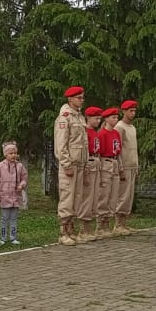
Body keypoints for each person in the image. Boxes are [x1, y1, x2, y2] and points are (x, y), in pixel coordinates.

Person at [53, 86, 86, 245]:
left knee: (76, 198)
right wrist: (66, 164)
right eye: (79, 98)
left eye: (82, 97)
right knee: (67, 197)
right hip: (70, 164)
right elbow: (61, 144)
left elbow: (82, 142)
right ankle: (63, 232)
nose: (82, 100)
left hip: (79, 163)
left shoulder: (79, 117)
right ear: (70, 99)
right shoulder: (65, 117)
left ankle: (71, 229)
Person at [77, 107, 103, 243]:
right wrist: (85, 166)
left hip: (96, 161)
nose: (98, 121)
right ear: (88, 118)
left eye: (99, 119)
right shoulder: (85, 131)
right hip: (89, 161)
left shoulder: (94, 132)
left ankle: (89, 226)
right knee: (87, 196)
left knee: (94, 195)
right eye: (96, 118)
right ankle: (83, 228)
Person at [0, 142, 27, 245]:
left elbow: (24, 178)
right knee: (4, 218)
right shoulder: (0, 166)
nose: (13, 155)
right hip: (4, 197)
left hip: (15, 197)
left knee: (13, 218)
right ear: (5, 154)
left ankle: (13, 237)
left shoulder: (20, 166)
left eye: (15, 153)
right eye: (11, 153)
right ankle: (3, 238)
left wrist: (21, 185)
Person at [97, 107, 123, 239]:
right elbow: (98, 152)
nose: (115, 120)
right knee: (104, 193)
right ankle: (100, 224)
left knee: (114, 194)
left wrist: (120, 167)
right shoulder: (102, 134)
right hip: (105, 161)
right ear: (106, 119)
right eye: (113, 117)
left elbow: (119, 150)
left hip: (115, 161)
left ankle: (108, 220)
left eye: (117, 117)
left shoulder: (116, 133)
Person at [114, 100, 139, 235]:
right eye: (131, 111)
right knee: (123, 195)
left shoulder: (132, 128)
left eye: (134, 111)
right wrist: (120, 167)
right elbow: (117, 149)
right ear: (124, 111)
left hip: (132, 165)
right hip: (124, 165)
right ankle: (118, 224)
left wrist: (136, 165)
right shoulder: (120, 127)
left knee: (129, 196)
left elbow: (133, 148)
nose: (133, 113)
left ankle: (124, 223)